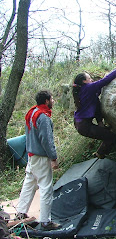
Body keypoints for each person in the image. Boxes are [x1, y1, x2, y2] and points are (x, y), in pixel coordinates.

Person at [16, 90, 61, 231]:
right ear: (46, 101)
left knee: (29, 184)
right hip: (41, 158)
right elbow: (47, 140)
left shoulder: (32, 112)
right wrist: (53, 157)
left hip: (31, 156)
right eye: (52, 99)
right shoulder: (43, 117)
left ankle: (21, 213)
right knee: (46, 188)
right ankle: (46, 221)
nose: (53, 101)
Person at [72, 65, 116, 158]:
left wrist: (100, 122)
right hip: (84, 125)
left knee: (106, 131)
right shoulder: (88, 88)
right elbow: (104, 81)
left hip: (80, 123)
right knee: (111, 136)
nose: (91, 80)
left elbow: (96, 98)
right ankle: (100, 154)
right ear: (84, 81)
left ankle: (99, 153)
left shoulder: (83, 90)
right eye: (89, 78)